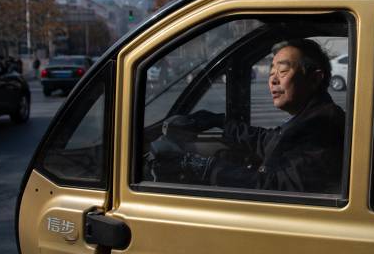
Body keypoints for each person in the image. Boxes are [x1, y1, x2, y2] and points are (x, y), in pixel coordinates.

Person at [148, 39, 346, 193]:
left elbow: (275, 188)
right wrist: (218, 121)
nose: (273, 80)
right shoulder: (309, 118)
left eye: (283, 71)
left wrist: (199, 166)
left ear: (314, 78)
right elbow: (267, 141)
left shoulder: (323, 128)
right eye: (271, 73)